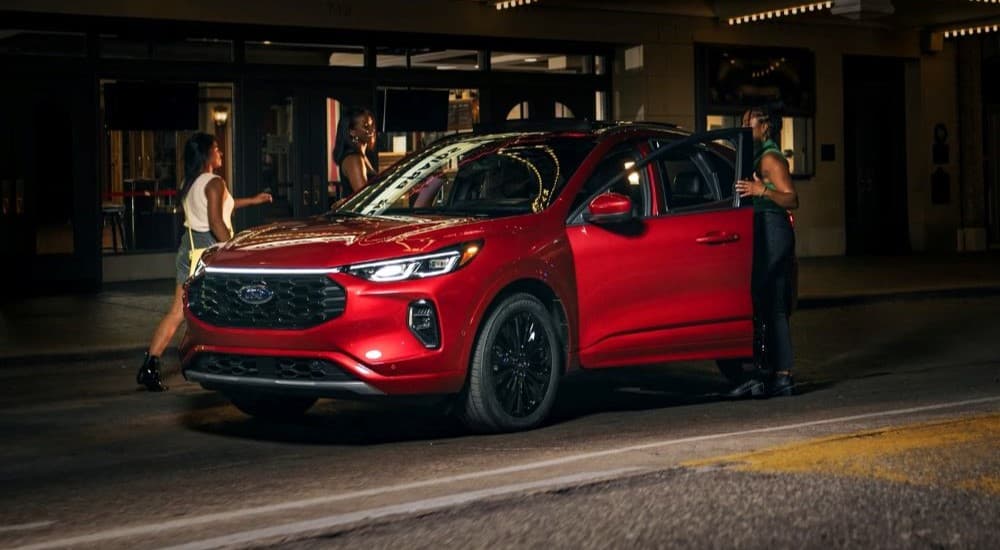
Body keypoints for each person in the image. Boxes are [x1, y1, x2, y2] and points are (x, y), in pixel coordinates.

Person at [136, 132, 272, 391]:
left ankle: (150, 365)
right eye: (217, 148)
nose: (220, 152)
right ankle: (233, 364)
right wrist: (235, 251)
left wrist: (253, 200)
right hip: (210, 250)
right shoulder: (215, 182)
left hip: (188, 249)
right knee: (232, 308)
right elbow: (216, 221)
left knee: (177, 312)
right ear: (208, 154)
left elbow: (221, 206)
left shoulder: (191, 181)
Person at [731, 104, 799, 398]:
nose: (745, 126)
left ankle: (774, 373)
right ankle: (778, 373)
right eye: (743, 120)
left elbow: (792, 198)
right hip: (764, 228)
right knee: (771, 304)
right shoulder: (755, 157)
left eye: (750, 121)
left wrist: (763, 192)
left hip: (773, 229)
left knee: (766, 301)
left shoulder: (771, 158)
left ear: (765, 127)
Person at [332, 106, 377, 198]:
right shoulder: (354, 159)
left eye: (372, 124)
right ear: (352, 132)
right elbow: (365, 198)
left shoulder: (362, 156)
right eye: (366, 126)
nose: (372, 130)